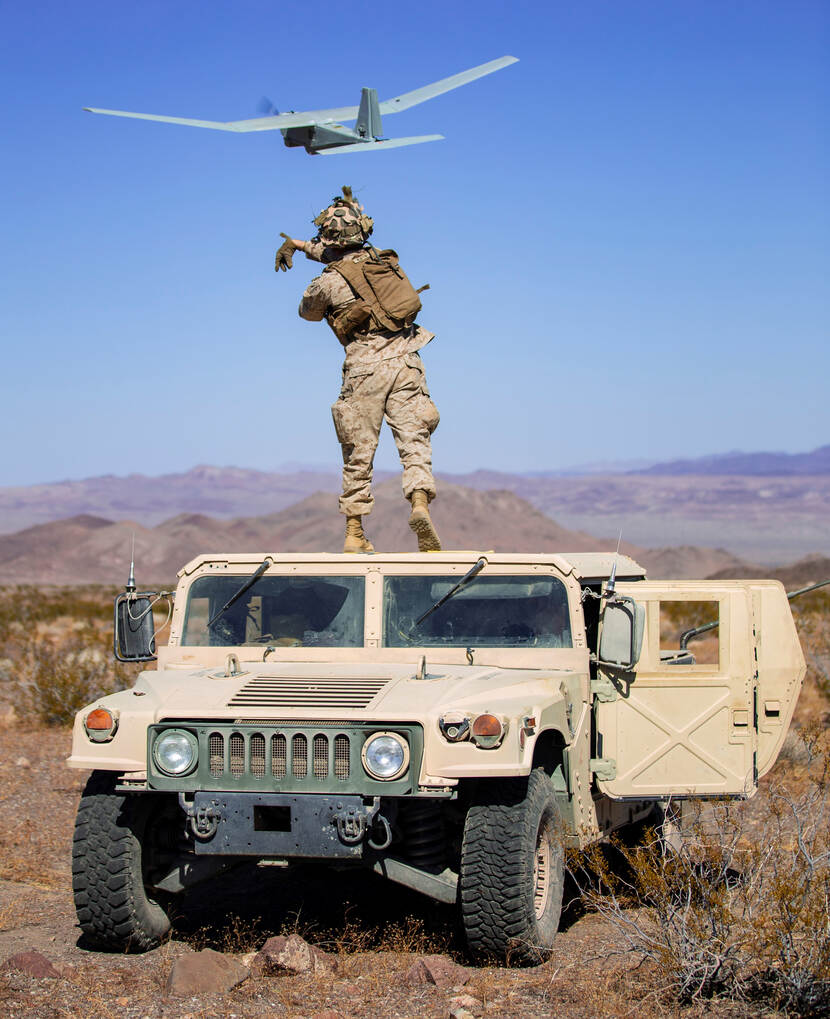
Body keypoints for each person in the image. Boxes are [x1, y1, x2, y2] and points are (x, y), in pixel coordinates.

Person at [274, 186, 441, 554]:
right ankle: (419, 502)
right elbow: (340, 255)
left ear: (330, 236)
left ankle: (355, 531)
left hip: (365, 369)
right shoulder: (382, 261)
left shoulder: (328, 281)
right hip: (407, 359)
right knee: (414, 440)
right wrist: (301, 245)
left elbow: (309, 312)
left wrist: (307, 255)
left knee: (358, 450)